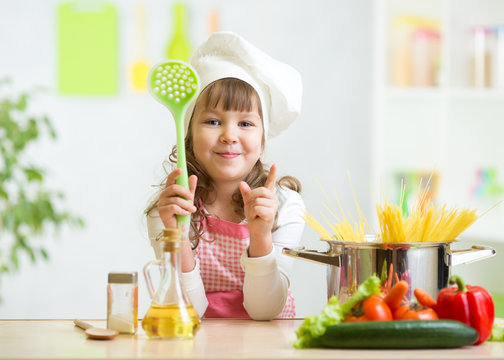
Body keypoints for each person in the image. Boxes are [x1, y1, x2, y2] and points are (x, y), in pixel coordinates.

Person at [146, 31, 305, 320]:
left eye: (245, 123)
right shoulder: (169, 209)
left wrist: (260, 236)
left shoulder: (286, 206)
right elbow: (187, 313)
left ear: (263, 140)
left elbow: (264, 310)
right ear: (189, 134)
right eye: (213, 121)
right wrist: (177, 237)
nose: (229, 135)